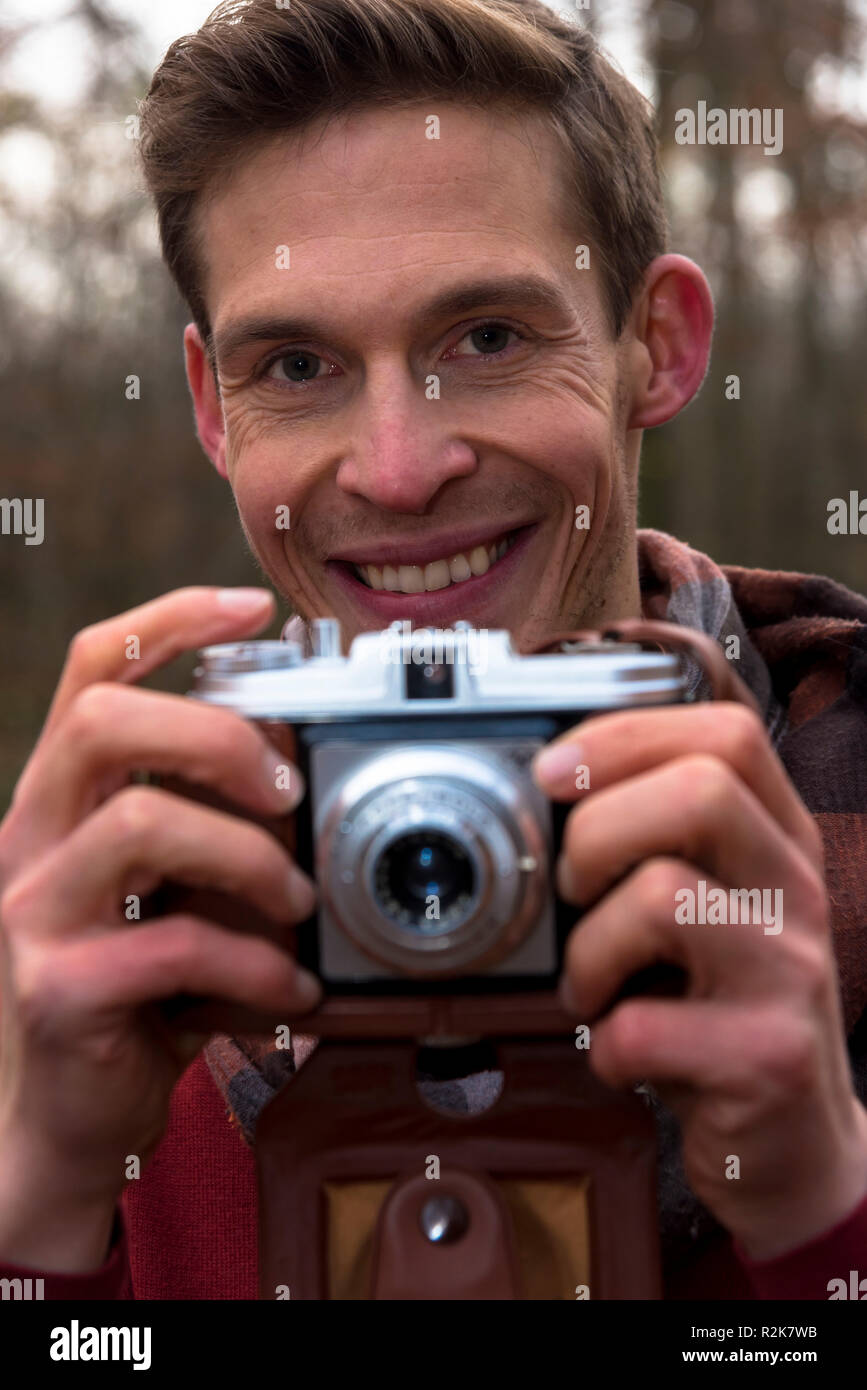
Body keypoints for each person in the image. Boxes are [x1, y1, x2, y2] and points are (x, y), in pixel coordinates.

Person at [0, 0, 865, 1301]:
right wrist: (44, 1204)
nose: (399, 470)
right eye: (296, 364)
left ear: (662, 347)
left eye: (491, 340)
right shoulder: (112, 928)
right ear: (211, 412)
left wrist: (819, 1209)